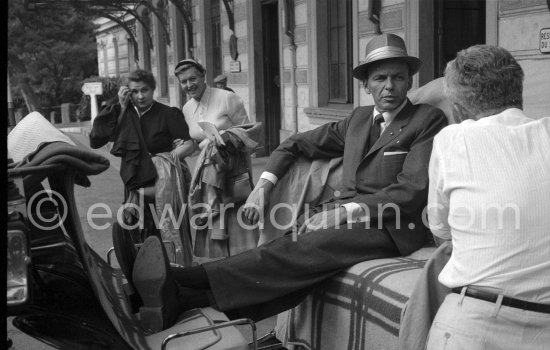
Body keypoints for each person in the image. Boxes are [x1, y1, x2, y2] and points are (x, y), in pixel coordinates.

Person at [129, 33, 448, 334]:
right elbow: (294, 144)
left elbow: (411, 190)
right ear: (366, 84)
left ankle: (182, 277)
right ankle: (184, 299)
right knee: (298, 260)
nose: (390, 86)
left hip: (391, 225)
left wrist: (347, 211)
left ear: (409, 80)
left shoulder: (426, 120)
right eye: (380, 78)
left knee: (296, 248)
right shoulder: (358, 120)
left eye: (398, 77)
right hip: (341, 217)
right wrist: (263, 186)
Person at [426, 45, 550, 349]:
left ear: (458, 110)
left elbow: (440, 230)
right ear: (517, 95)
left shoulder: (451, 140)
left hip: (473, 323)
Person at [89, 69, 195, 268]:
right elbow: (96, 139)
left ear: (153, 89)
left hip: (163, 183)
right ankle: (148, 274)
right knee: (140, 230)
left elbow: (189, 145)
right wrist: (120, 106)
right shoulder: (125, 114)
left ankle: (176, 270)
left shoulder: (168, 113)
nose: (140, 96)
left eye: (144, 90)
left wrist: (163, 159)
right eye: (135, 91)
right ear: (128, 92)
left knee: (166, 229)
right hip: (135, 184)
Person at [174, 59, 259, 258]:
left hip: (233, 172)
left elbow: (250, 135)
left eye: (193, 78)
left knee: (238, 226)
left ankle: (245, 269)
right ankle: (222, 272)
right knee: (214, 228)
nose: (189, 85)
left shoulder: (228, 98)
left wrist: (228, 139)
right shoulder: (186, 109)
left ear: (203, 76)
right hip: (208, 179)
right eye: (183, 81)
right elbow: (195, 144)